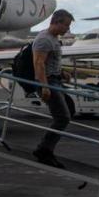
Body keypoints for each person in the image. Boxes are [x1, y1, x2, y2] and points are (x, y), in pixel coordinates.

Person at [31, 9, 75, 168]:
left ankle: (45, 149)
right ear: (57, 22)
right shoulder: (44, 39)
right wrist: (44, 87)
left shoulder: (54, 39)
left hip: (55, 80)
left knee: (69, 111)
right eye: (66, 26)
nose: (67, 30)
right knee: (63, 117)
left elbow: (49, 62)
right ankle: (44, 150)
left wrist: (62, 72)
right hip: (48, 82)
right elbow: (39, 64)